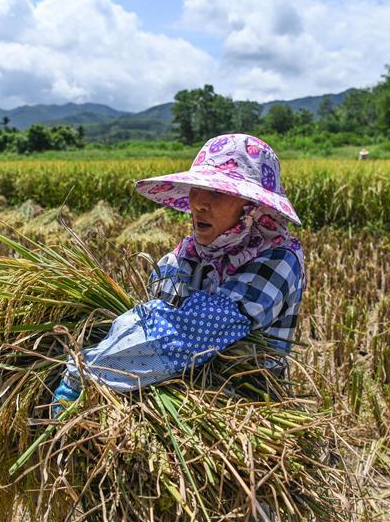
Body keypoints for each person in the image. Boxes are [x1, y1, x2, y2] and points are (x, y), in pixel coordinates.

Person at [52, 134, 305, 414]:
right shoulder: (183, 255)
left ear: (252, 208)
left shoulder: (279, 259)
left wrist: (87, 372)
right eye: (197, 188)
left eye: (218, 193)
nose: (199, 204)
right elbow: (155, 317)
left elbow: (192, 331)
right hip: (177, 382)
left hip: (248, 402)